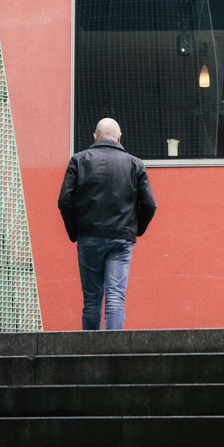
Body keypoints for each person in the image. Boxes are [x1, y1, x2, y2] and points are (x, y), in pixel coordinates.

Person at [58, 117, 156, 330]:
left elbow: (64, 200)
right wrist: (134, 230)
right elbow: (150, 204)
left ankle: (90, 355)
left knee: (92, 300)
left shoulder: (78, 160)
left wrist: (75, 232)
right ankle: (113, 355)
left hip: (89, 238)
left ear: (95, 137)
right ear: (120, 138)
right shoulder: (135, 164)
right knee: (115, 298)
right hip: (121, 239)